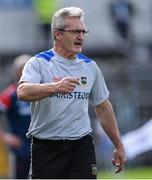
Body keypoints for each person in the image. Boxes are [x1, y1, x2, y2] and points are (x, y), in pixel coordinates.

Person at [17, 7, 127, 179]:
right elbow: (22, 91)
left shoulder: (90, 66)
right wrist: (54, 87)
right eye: (75, 31)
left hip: (81, 145)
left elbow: (103, 107)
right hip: (46, 147)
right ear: (58, 34)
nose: (81, 37)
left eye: (83, 32)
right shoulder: (38, 63)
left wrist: (119, 145)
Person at [0, 54, 31, 179]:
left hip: (40, 145)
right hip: (20, 147)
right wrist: (4, 137)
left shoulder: (40, 91)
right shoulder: (10, 94)